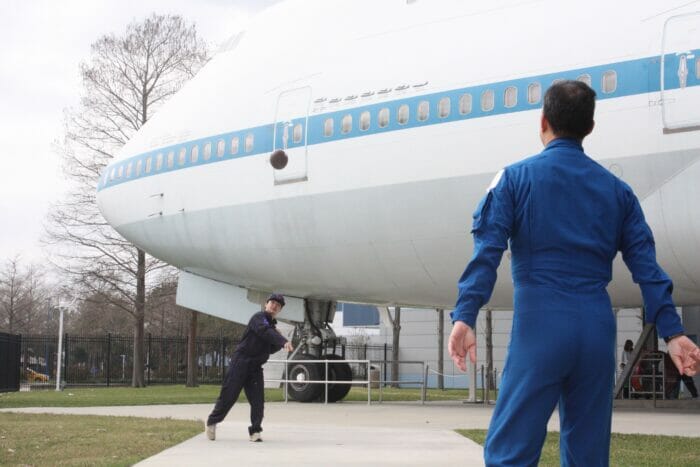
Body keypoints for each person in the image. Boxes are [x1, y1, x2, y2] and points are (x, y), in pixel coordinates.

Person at [448, 80, 700, 466]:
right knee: (587, 456)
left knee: (510, 453)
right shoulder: (618, 192)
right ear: (590, 127)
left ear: (543, 121)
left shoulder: (514, 180)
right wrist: (674, 332)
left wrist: (465, 315)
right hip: (596, 332)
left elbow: (488, 253)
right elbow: (647, 268)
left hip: (540, 327)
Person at [205, 293, 293, 442]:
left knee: (258, 401)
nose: (274, 306)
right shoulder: (258, 318)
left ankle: (255, 431)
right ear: (266, 304)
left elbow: (270, 349)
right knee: (229, 396)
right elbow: (264, 331)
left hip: (255, 367)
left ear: (279, 310)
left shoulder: (273, 329)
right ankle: (212, 422)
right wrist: (282, 340)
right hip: (240, 363)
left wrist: (279, 343)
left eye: (278, 305)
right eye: (272, 303)